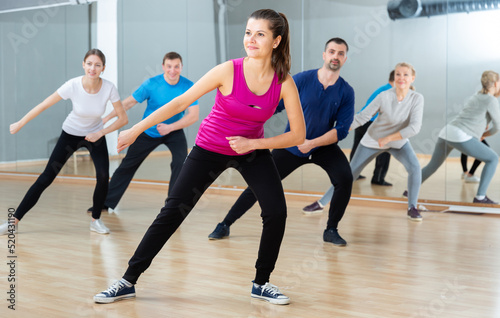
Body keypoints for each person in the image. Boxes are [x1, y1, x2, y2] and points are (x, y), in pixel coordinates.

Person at [94, 9, 305, 305]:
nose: (251, 39)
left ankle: (261, 282)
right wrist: (137, 129)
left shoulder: (284, 82)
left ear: (276, 41)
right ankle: (128, 280)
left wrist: (254, 144)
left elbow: (298, 135)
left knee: (276, 212)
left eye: (260, 34)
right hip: (209, 148)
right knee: (173, 212)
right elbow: (181, 101)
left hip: (251, 150)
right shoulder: (228, 70)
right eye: (248, 32)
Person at [208, 37, 355, 246]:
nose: (335, 56)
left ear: (345, 59)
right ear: (324, 55)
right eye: (332, 52)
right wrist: (247, 119)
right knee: (260, 183)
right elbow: (273, 106)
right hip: (291, 146)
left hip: (323, 147)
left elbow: (341, 130)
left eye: (340, 53)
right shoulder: (302, 80)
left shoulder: (346, 91)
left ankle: (331, 229)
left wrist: (312, 143)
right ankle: (225, 223)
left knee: (345, 178)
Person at [1, 49, 128, 236]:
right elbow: (44, 104)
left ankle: (96, 220)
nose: (93, 68)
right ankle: (13, 222)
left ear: (103, 68)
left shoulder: (109, 87)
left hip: (95, 135)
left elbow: (123, 118)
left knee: (103, 176)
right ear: (83, 64)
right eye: (89, 64)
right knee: (46, 177)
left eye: (97, 65)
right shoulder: (73, 85)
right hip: (71, 134)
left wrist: (100, 132)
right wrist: (21, 122)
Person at [304, 62, 425, 221]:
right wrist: (341, 128)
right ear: (394, 77)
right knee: (349, 174)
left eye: (405, 74)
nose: (401, 78)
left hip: (397, 142)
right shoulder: (384, 96)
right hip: (373, 140)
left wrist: (389, 138)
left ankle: (412, 207)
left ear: (412, 78)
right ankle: (321, 203)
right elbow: (362, 117)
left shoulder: (416, 98)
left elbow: (414, 128)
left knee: (415, 168)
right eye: (398, 74)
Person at [87, 52, 199, 214]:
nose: (173, 70)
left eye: (176, 67)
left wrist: (170, 127)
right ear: (163, 67)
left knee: (180, 163)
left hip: (173, 130)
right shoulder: (151, 84)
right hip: (149, 131)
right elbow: (128, 103)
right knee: (127, 165)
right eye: (169, 66)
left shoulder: (188, 86)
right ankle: (105, 203)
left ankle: (172, 206)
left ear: (181, 67)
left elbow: (193, 116)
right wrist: (105, 120)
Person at [421, 71, 500, 204]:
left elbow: (473, 117)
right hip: (461, 134)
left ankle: (408, 190)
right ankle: (480, 197)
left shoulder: (476, 96)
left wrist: (481, 129)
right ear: (496, 83)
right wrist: (484, 135)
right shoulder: (491, 100)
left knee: (432, 166)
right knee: (493, 158)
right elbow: (498, 126)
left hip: (447, 131)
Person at [352, 70, 394, 186]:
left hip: (361, 121)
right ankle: (378, 178)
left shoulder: (382, 88)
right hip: (371, 123)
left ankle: (352, 175)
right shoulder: (390, 91)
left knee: (357, 148)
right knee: (385, 148)